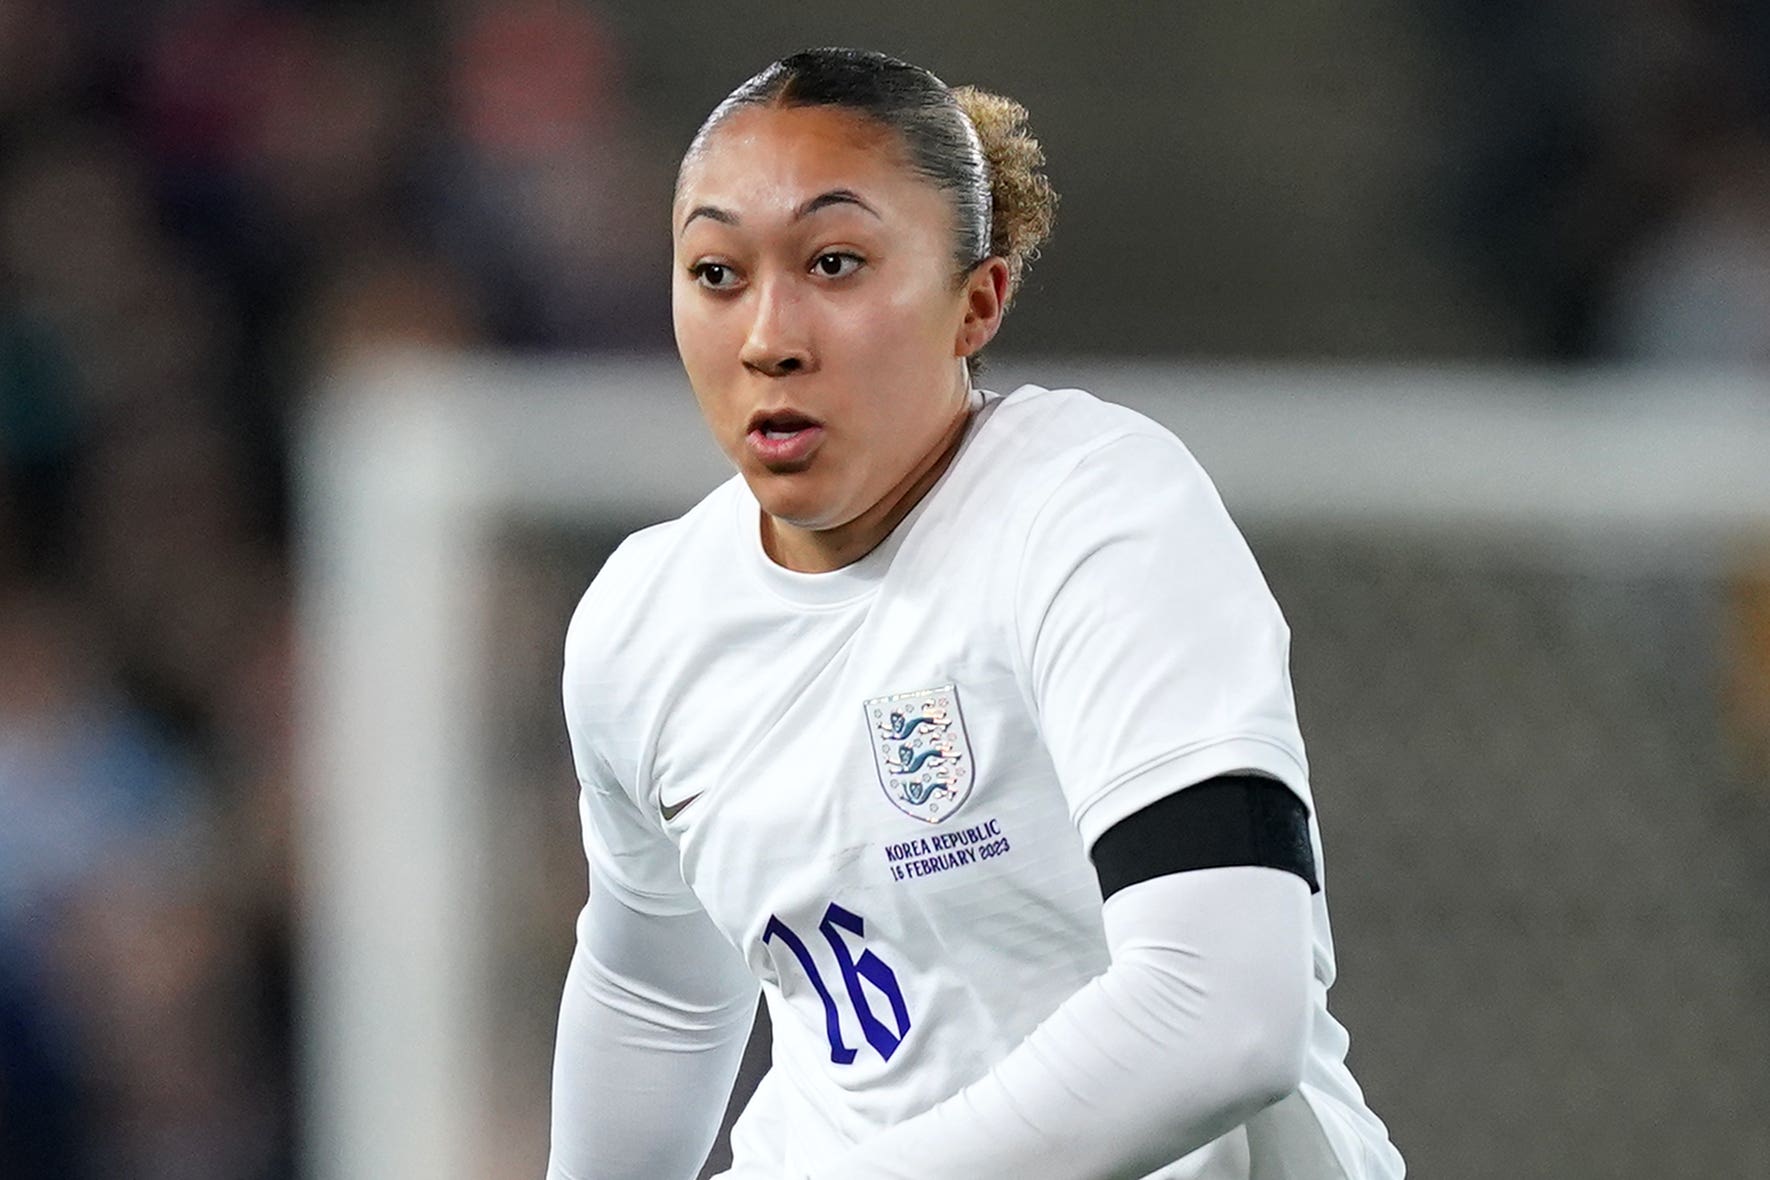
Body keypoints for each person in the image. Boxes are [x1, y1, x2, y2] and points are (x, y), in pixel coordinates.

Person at [549, 47, 1405, 1180]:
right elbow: (654, 990)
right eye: (716, 272)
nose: (768, 336)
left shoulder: (1096, 514)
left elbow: (1224, 1012)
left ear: (977, 301)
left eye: (835, 261)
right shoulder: (642, 623)